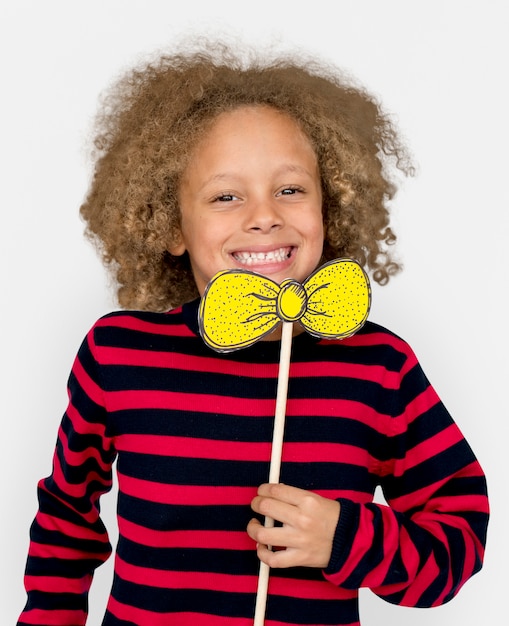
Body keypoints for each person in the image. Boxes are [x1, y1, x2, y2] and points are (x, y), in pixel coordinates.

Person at [17, 41, 489, 626]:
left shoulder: (379, 365)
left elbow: (460, 538)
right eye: (225, 195)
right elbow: (67, 519)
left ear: (330, 206)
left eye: (290, 189)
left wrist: (345, 538)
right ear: (171, 225)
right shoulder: (118, 354)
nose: (264, 215)